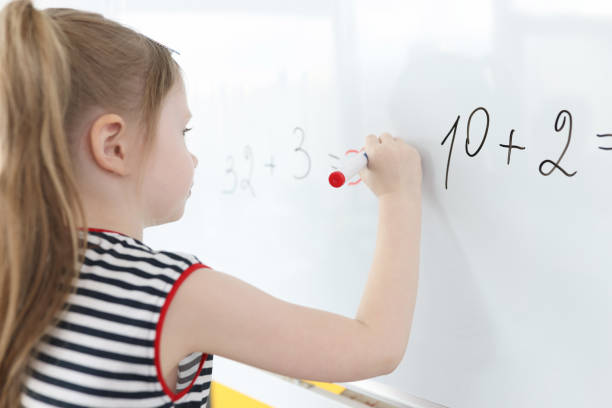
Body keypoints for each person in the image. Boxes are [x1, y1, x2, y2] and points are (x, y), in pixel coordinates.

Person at [0, 0, 423, 407]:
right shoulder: (169, 295)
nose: (194, 156)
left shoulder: (22, 272)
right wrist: (398, 195)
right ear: (115, 146)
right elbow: (376, 344)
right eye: (183, 132)